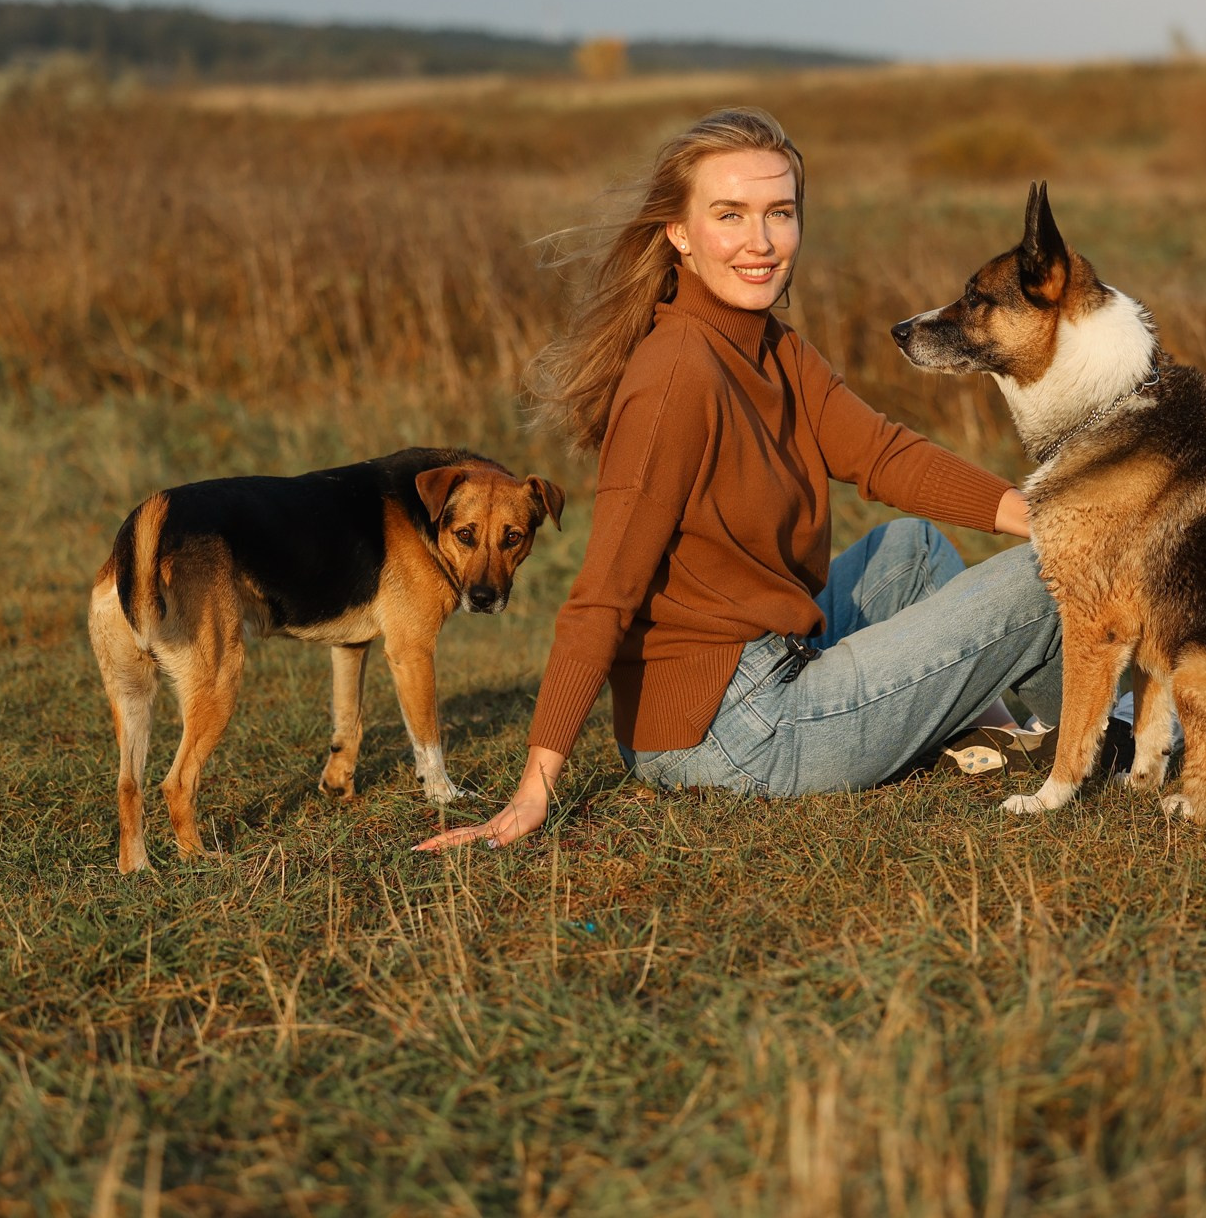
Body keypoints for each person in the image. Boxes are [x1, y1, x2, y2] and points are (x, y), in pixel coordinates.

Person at [418, 108, 1065, 850]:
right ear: (680, 234)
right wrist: (533, 791)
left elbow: (885, 457)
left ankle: (1009, 729)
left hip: (765, 659)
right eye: (731, 215)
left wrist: (1045, 511)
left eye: (779, 214)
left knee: (913, 549)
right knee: (1048, 574)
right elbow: (605, 592)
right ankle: (1106, 743)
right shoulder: (675, 379)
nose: (761, 243)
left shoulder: (771, 347)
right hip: (729, 730)